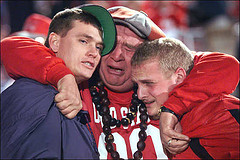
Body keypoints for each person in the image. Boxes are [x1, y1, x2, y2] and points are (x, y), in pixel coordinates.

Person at [1, 6, 173, 159]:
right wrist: (63, 77)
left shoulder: (167, 94)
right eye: (110, 47)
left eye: (130, 48)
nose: (117, 55)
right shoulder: (75, 89)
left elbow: (194, 65)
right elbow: (11, 46)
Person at [1, 4, 117, 159]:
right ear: (55, 42)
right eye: (83, 41)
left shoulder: (83, 90)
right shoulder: (37, 94)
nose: (94, 53)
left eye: (98, 47)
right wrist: (63, 76)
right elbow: (9, 46)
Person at [131, 37, 240, 159]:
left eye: (149, 83)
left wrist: (170, 110)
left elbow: (226, 63)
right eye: (137, 85)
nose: (140, 95)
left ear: (179, 77)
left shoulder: (222, 115)